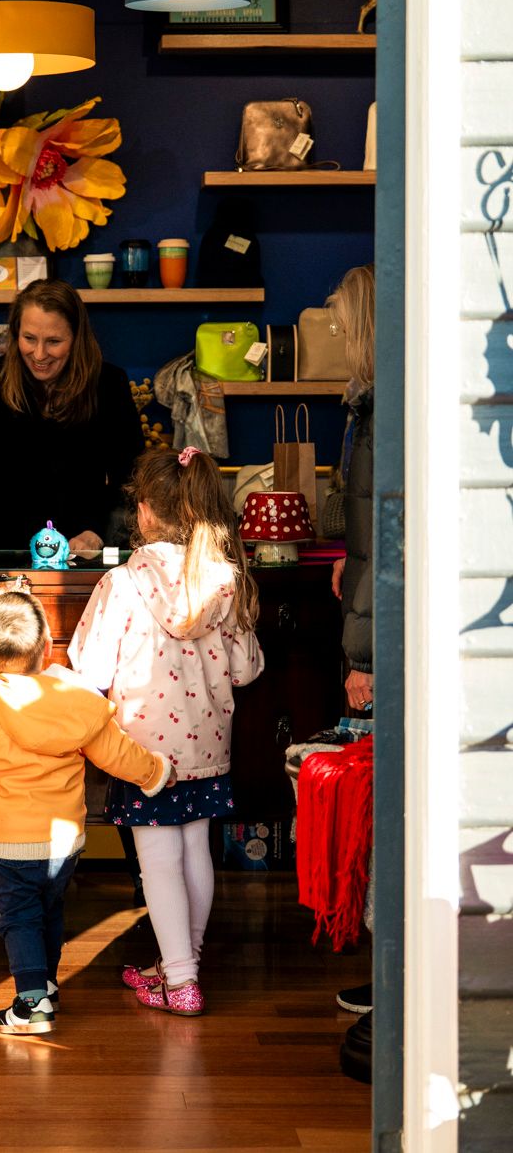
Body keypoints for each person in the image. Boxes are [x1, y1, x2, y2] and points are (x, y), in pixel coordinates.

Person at [0, 590, 174, 1036]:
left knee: (19, 918)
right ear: (47, 646)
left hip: (7, 843)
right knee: (50, 909)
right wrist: (156, 772)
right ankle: (47, 983)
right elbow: (117, 753)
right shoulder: (74, 699)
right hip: (64, 841)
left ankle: (32, 1003)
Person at [68, 446, 264, 1017]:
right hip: (206, 744)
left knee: (157, 860)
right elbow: (247, 669)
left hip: (144, 750)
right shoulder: (224, 581)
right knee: (195, 850)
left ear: (145, 511)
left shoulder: (121, 583)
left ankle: (180, 980)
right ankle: (183, 964)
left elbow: (90, 669)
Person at [0, 278, 143, 552]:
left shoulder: (108, 385)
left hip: (81, 556)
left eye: (54, 341)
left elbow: (132, 480)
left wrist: (97, 532)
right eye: (29, 339)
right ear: (15, 333)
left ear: (76, 339)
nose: (40, 354)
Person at [325, 262, 377, 1071]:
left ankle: (391, 975)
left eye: (340, 321)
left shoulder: (380, 409)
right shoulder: (367, 404)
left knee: (379, 810)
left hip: (379, 634)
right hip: (367, 600)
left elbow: (388, 538)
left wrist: (363, 658)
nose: (334, 334)